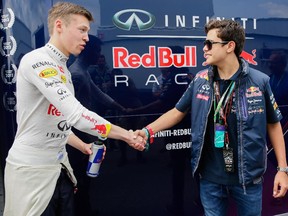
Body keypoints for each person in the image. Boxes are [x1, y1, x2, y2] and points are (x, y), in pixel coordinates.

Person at [3, 2, 146, 216]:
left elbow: (59, 122)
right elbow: (77, 115)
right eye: (82, 30)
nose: (87, 38)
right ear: (59, 25)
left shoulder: (64, 69)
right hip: (31, 170)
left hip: (60, 167)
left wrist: (83, 147)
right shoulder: (37, 60)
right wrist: (126, 135)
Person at [140, 19, 288, 216]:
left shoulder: (259, 82)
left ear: (230, 46)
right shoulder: (200, 80)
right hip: (210, 180)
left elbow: (274, 124)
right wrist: (146, 131)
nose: (204, 48)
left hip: (248, 181)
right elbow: (177, 112)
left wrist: (283, 170)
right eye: (204, 43)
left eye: (209, 43)